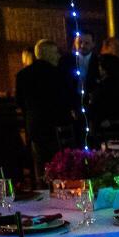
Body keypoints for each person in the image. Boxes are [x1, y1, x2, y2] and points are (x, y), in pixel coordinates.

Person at [15, 39, 72, 178]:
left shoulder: (23, 75)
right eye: (56, 52)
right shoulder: (58, 74)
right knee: (60, 163)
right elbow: (66, 99)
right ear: (48, 54)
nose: (58, 56)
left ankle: (43, 184)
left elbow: (19, 102)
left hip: (35, 125)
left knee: (40, 162)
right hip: (57, 125)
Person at [89, 52, 119, 140]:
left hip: (104, 129)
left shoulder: (105, 85)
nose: (98, 68)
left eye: (100, 66)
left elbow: (97, 106)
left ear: (106, 68)